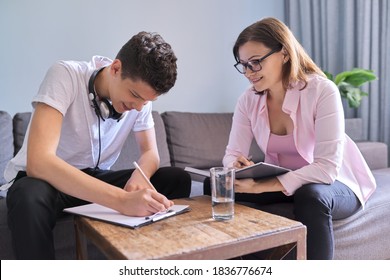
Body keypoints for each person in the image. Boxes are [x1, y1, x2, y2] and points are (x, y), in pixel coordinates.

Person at [5, 31, 191, 259]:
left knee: (175, 178)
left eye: (147, 101)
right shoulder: (65, 74)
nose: (139, 107)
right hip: (44, 180)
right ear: (115, 68)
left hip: (90, 178)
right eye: (135, 95)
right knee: (28, 195)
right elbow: (39, 162)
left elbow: (150, 153)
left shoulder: (140, 103)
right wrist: (122, 200)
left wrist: (140, 177)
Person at [204, 17, 376, 260]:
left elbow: (326, 170)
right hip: (285, 179)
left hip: (335, 183)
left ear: (284, 53)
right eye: (243, 65)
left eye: (256, 62)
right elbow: (232, 153)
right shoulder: (248, 100)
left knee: (311, 196)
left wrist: (260, 186)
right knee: (215, 185)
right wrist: (236, 168)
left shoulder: (322, 91)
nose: (249, 73)